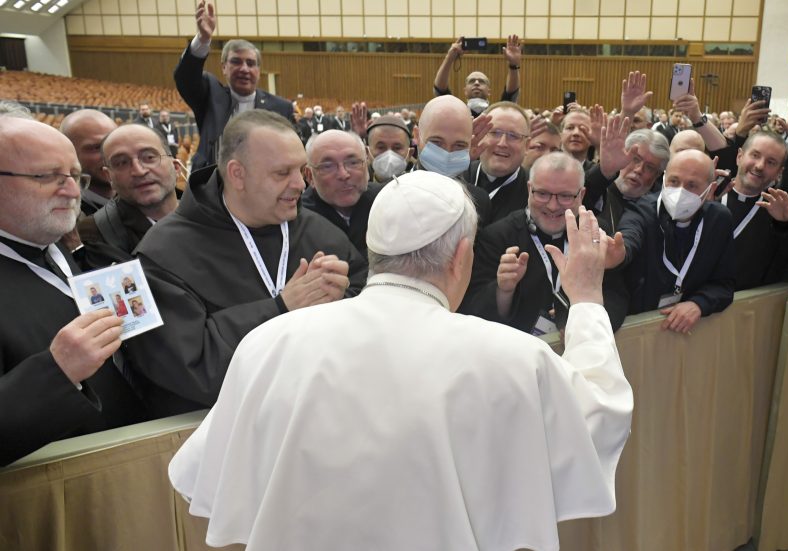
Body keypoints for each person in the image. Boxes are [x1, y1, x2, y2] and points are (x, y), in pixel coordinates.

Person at [169, 170, 633, 550]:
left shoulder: (268, 343)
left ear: (375, 254)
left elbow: (199, 477)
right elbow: (599, 420)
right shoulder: (513, 357)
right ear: (462, 256)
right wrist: (588, 299)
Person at [126, 110, 368, 417]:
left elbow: (367, 308)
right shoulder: (160, 255)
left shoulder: (319, 231)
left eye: (301, 170)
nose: (300, 185)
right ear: (237, 174)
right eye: (282, 173)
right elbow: (189, 367)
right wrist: (280, 309)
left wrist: (344, 300)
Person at [0, 117, 144, 466]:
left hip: (132, 456)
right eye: (47, 176)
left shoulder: (59, 248)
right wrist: (56, 370)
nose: (72, 191)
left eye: (74, 176)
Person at [462, 151, 629, 335]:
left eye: (565, 196)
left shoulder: (595, 233)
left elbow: (616, 296)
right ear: (529, 189)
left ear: (581, 195)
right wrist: (503, 291)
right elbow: (473, 311)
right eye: (542, 194)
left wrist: (588, 327)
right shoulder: (497, 236)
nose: (552, 205)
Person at [612, 149, 736, 332]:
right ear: (663, 180)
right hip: (638, 328)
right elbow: (630, 236)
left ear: (711, 189)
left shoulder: (719, 220)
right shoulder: (641, 211)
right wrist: (621, 253)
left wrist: (699, 304)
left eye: (692, 185)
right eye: (674, 181)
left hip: (686, 331)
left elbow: (724, 283)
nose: (680, 192)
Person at [174, 0, 294, 169]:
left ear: (258, 71)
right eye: (236, 62)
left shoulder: (281, 107)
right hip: (212, 183)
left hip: (260, 184)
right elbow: (186, 78)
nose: (244, 69)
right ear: (224, 67)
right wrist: (203, 39)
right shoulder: (210, 94)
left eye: (251, 63)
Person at [75, 124, 181, 268]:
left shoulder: (211, 213)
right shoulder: (95, 233)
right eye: (121, 163)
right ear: (109, 176)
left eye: (149, 157)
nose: (138, 171)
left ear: (176, 167)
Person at [721, 131, 788, 290]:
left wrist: (784, 226)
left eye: (771, 162)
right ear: (739, 157)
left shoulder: (777, 213)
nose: (759, 166)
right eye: (755, 155)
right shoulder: (709, 195)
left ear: (779, 173)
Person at [301, 130, 382, 258]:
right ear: (310, 176)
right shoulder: (298, 221)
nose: (344, 174)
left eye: (353, 162)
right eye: (328, 166)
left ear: (366, 164)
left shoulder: (385, 200)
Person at [413, 95, 493, 224]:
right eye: (436, 142)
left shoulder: (478, 202)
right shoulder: (387, 192)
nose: (447, 153)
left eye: (459, 145)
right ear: (417, 136)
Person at [460, 101, 533, 224]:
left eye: (513, 136)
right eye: (495, 133)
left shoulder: (535, 191)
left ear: (527, 146)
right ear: (479, 136)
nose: (502, 143)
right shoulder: (456, 175)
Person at [592, 128, 669, 233]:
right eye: (635, 159)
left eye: (650, 167)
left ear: (657, 175)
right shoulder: (595, 193)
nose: (639, 170)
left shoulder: (658, 211)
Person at [433, 35, 523, 117]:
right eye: (471, 81)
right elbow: (440, 90)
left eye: (482, 81)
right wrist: (449, 57)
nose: (476, 83)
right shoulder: (455, 112)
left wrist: (514, 65)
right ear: (465, 91)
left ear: (489, 91)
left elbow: (511, 94)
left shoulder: (497, 113)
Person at [60, 109, 117, 215]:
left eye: (115, 143)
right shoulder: (64, 217)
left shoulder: (145, 199)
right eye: (96, 148)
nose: (113, 154)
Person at [365, 114, 413, 183]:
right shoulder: (356, 190)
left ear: (410, 153)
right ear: (367, 152)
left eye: (397, 148)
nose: (389, 155)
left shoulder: (422, 186)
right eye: (381, 147)